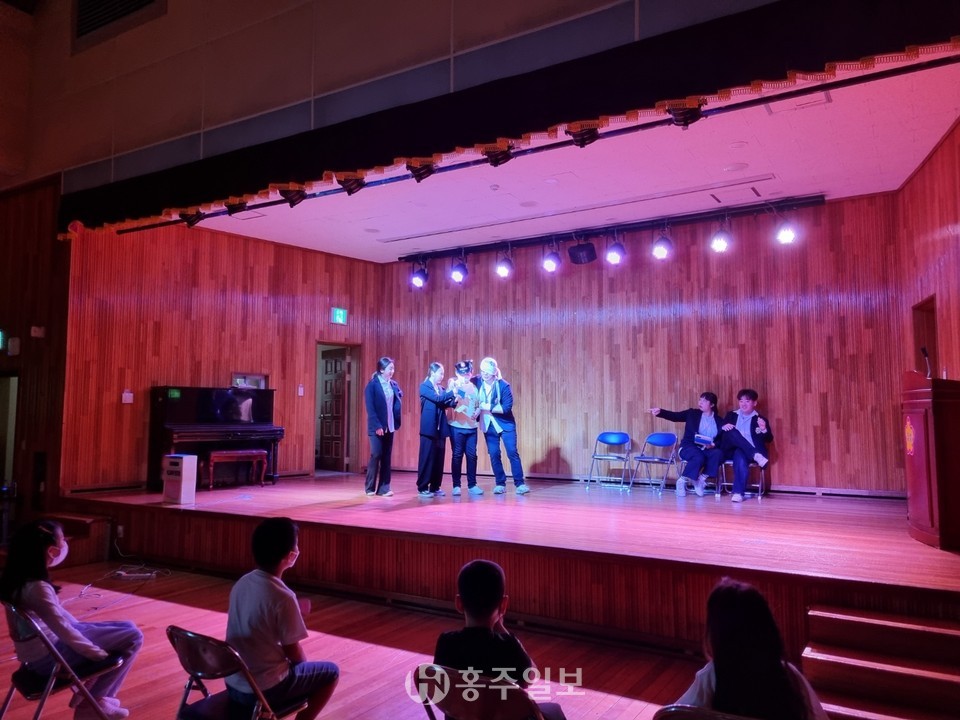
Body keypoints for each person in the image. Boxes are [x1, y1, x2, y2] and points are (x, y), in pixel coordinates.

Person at [0, 519, 143, 720]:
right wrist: (98, 656)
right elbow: (64, 630)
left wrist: (89, 631)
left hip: (37, 655)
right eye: (62, 541)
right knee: (134, 637)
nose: (65, 544)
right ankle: (93, 703)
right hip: (50, 659)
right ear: (52, 551)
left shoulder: (18, 579)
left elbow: (62, 619)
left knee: (127, 626)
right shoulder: (38, 589)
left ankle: (94, 697)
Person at [226, 517, 339, 720]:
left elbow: (259, 617)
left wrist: (294, 610)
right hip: (264, 690)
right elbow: (293, 652)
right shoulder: (284, 597)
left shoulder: (242, 582)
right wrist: (302, 667)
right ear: (290, 556)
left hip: (234, 683)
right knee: (331, 673)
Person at [677, 578, 829, 720]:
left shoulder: (711, 677)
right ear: (768, 628)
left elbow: (673, 715)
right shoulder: (789, 676)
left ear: (716, 633)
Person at [433, 559, 567, 720]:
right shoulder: (508, 646)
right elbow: (531, 675)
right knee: (554, 710)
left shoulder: (446, 643)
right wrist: (502, 629)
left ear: (459, 603)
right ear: (503, 605)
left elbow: (440, 689)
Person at [472, 357, 530, 495]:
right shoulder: (477, 381)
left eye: (487, 371)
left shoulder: (503, 386)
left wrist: (485, 406)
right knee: (494, 454)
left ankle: (520, 483)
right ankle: (500, 483)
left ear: (493, 372)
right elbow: (465, 387)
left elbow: (506, 408)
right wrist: (453, 384)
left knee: (512, 452)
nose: (484, 374)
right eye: (482, 371)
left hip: (505, 424)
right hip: (489, 424)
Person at [649, 392, 723, 497]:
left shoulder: (719, 420)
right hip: (688, 447)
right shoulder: (692, 413)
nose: (700, 402)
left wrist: (713, 445)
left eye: (704, 401)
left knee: (718, 453)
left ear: (712, 404)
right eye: (700, 400)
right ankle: (682, 481)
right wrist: (661, 412)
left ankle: (701, 480)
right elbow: (675, 416)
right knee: (698, 456)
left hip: (706, 449)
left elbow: (720, 439)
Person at [719, 388, 773, 503]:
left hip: (743, 453)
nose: (743, 404)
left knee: (740, 454)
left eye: (747, 401)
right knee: (732, 431)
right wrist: (723, 427)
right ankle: (755, 455)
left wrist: (764, 429)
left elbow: (769, 439)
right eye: (741, 401)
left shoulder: (760, 419)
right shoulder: (731, 415)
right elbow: (720, 434)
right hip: (730, 450)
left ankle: (738, 493)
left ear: (755, 403)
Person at [363, 356, 402, 497]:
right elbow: (370, 408)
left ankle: (384, 488)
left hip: (389, 425)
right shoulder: (372, 385)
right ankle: (369, 487)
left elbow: (397, 397)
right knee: (376, 454)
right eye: (389, 368)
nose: (392, 371)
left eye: (393, 368)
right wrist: (377, 426)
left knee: (386, 456)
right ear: (381, 369)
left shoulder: (393, 384)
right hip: (377, 426)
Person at [417, 362, 457, 498]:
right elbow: (438, 399)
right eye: (440, 373)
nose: (442, 376)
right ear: (432, 373)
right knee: (426, 458)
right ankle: (422, 487)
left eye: (443, 374)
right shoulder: (424, 386)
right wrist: (451, 392)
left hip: (441, 429)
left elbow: (447, 403)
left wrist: (456, 396)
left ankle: (435, 486)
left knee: (439, 459)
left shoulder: (441, 388)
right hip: (428, 429)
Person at [446, 360, 483, 497]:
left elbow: (478, 403)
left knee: (472, 456)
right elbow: (449, 401)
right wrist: (455, 389)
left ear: (471, 373)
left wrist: (477, 411)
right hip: (456, 426)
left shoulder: (474, 387)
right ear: (457, 373)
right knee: (457, 455)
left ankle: (472, 485)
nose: (465, 376)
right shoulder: (453, 384)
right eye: (462, 374)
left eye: (467, 373)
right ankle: (456, 485)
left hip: (471, 427)